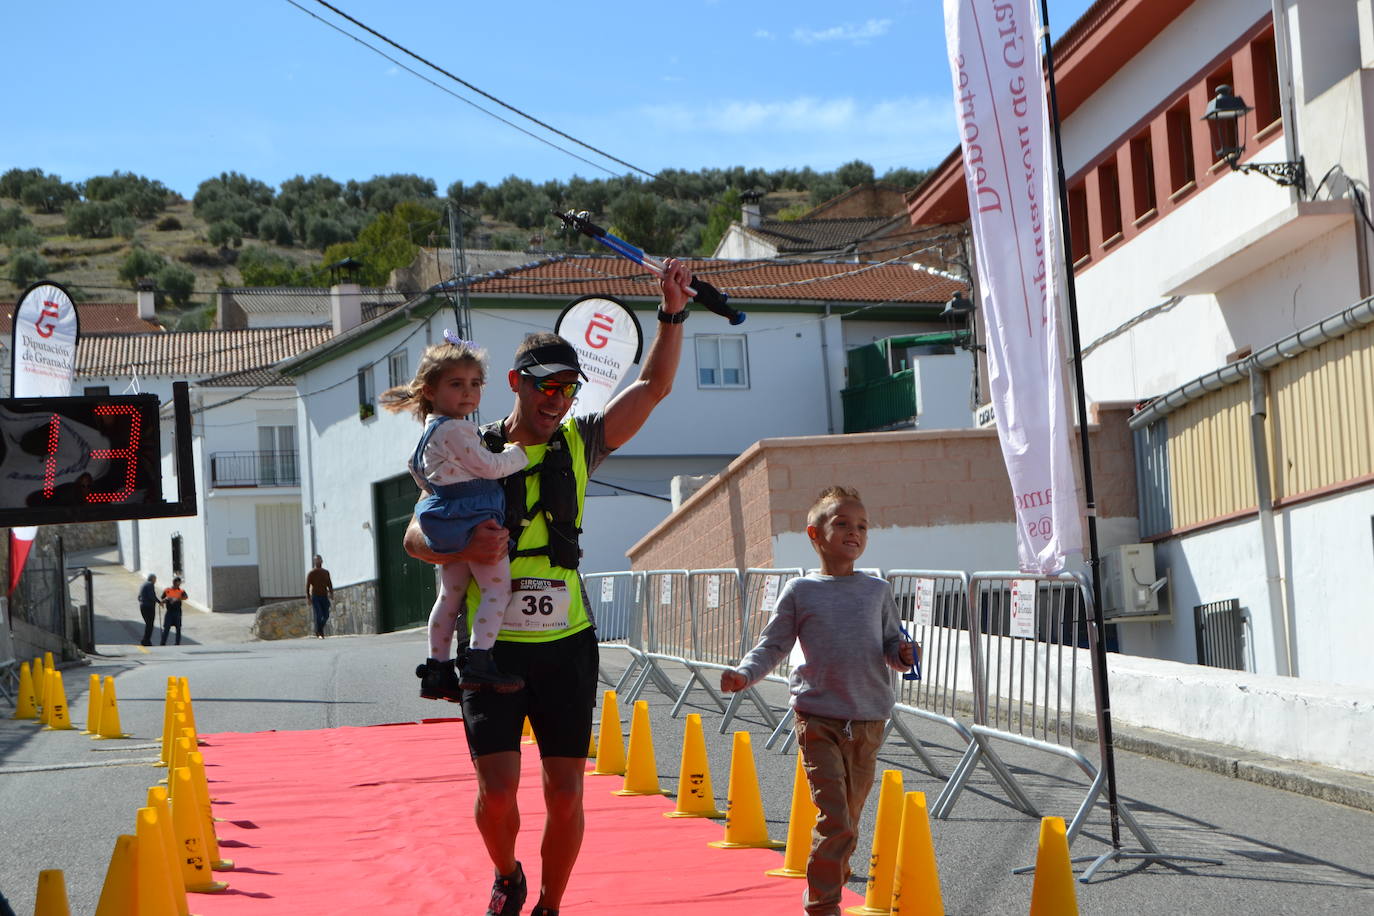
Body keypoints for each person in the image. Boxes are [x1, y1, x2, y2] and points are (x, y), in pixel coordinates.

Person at [404, 258, 693, 916]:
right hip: (492, 648)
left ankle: (550, 907)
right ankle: (506, 873)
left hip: (567, 644)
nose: (556, 400)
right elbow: (414, 539)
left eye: (567, 389)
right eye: (545, 388)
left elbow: (652, 388)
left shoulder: (580, 443)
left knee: (566, 794)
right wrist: (460, 544)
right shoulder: (463, 443)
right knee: (499, 792)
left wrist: (672, 312)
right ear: (516, 384)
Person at [720, 486, 919, 916]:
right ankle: (823, 907)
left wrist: (902, 655)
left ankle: (829, 890)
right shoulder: (800, 591)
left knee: (848, 821)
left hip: (868, 721)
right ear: (815, 533)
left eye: (862, 526)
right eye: (843, 524)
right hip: (818, 719)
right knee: (835, 822)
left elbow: (891, 645)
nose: (855, 532)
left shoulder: (877, 590)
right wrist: (744, 674)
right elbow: (771, 646)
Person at [380, 333, 529, 697]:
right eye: (457, 384)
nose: (468, 392)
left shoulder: (429, 432)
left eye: (475, 384)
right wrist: (516, 454)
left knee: (450, 595)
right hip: (476, 516)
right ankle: (480, 660)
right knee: (497, 588)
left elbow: (418, 473)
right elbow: (489, 466)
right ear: (431, 390)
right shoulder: (458, 429)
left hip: (448, 519)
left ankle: (437, 668)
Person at [305, 556, 334, 638]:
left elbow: (329, 583)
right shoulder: (311, 573)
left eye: (319, 560)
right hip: (316, 596)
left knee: (326, 615)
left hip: (324, 596)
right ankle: (320, 632)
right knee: (319, 614)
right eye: (316, 560)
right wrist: (308, 597)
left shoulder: (326, 572)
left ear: (322, 561)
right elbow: (307, 586)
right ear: (314, 562)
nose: (318, 561)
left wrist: (331, 593)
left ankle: (319, 629)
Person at [159, 577, 187, 646]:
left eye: (179, 583)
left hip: (177, 612)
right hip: (169, 612)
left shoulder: (181, 591)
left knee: (178, 628)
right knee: (166, 628)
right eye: (178, 582)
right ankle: (163, 642)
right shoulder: (167, 590)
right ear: (174, 582)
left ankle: (177, 643)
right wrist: (165, 600)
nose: (178, 584)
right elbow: (162, 598)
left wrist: (177, 599)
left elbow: (185, 597)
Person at [137, 573, 160, 647]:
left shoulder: (144, 585)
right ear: (152, 579)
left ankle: (146, 640)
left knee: (148, 624)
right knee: (150, 624)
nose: (155, 581)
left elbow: (139, 597)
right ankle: (146, 641)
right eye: (155, 579)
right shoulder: (150, 584)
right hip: (148, 607)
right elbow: (152, 596)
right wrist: (159, 602)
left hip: (143, 606)